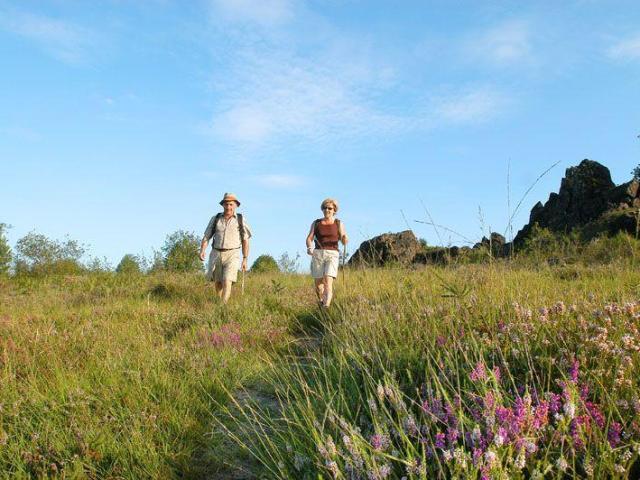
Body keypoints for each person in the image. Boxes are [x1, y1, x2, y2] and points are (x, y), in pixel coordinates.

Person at [199, 193, 252, 304]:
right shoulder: (215, 219)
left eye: (231, 204)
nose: (228, 207)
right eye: (226, 204)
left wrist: (245, 258)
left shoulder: (240, 219)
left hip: (233, 254)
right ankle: (218, 301)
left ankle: (222, 306)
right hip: (216, 253)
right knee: (218, 282)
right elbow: (206, 236)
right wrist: (202, 250)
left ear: (236, 205)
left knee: (227, 280)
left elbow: (245, 240)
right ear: (223, 205)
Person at [306, 198, 348, 308]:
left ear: (334, 210)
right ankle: (321, 301)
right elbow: (309, 238)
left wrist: (344, 238)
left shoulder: (339, 223)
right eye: (325, 208)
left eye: (330, 208)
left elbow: (344, 240)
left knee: (328, 282)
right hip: (318, 254)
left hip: (333, 254)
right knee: (319, 286)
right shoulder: (316, 223)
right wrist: (309, 247)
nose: (327, 210)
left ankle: (326, 307)